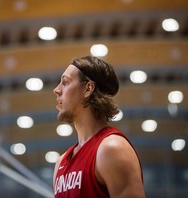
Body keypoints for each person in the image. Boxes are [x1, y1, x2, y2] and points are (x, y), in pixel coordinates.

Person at [53, 55, 145, 198]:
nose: (56, 90)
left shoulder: (112, 148)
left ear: (88, 89)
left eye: (65, 82)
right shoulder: (61, 162)